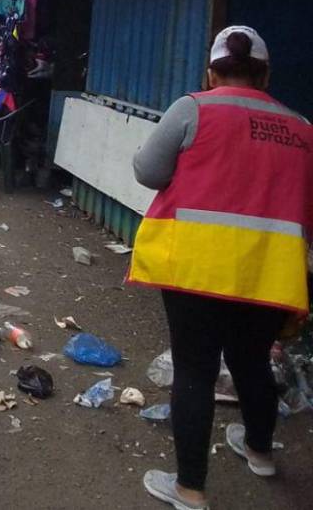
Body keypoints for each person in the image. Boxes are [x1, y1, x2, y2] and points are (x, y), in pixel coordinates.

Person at [131, 26, 312, 510]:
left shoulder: (194, 108)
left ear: (211, 72)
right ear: (266, 73)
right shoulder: (301, 128)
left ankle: (190, 488)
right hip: (269, 270)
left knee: (195, 369)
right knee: (252, 361)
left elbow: (148, 171)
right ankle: (260, 452)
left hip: (195, 265)